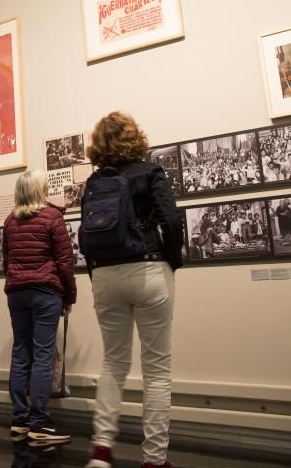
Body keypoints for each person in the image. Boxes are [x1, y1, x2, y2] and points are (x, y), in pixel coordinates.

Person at [82, 112, 183, 468]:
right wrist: (173, 261)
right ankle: (154, 460)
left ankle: (101, 450)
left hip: (105, 276)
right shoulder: (150, 171)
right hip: (150, 269)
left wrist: (98, 275)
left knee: (114, 363)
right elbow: (170, 219)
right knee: (156, 368)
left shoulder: (94, 181)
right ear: (135, 137)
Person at [2, 170, 77, 443]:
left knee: (21, 352)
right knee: (43, 355)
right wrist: (69, 296)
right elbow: (64, 262)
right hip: (46, 292)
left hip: (17, 292)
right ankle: (39, 423)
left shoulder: (10, 221)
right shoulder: (52, 217)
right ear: (39, 190)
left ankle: (19, 420)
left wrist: (14, 283)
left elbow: (6, 260)